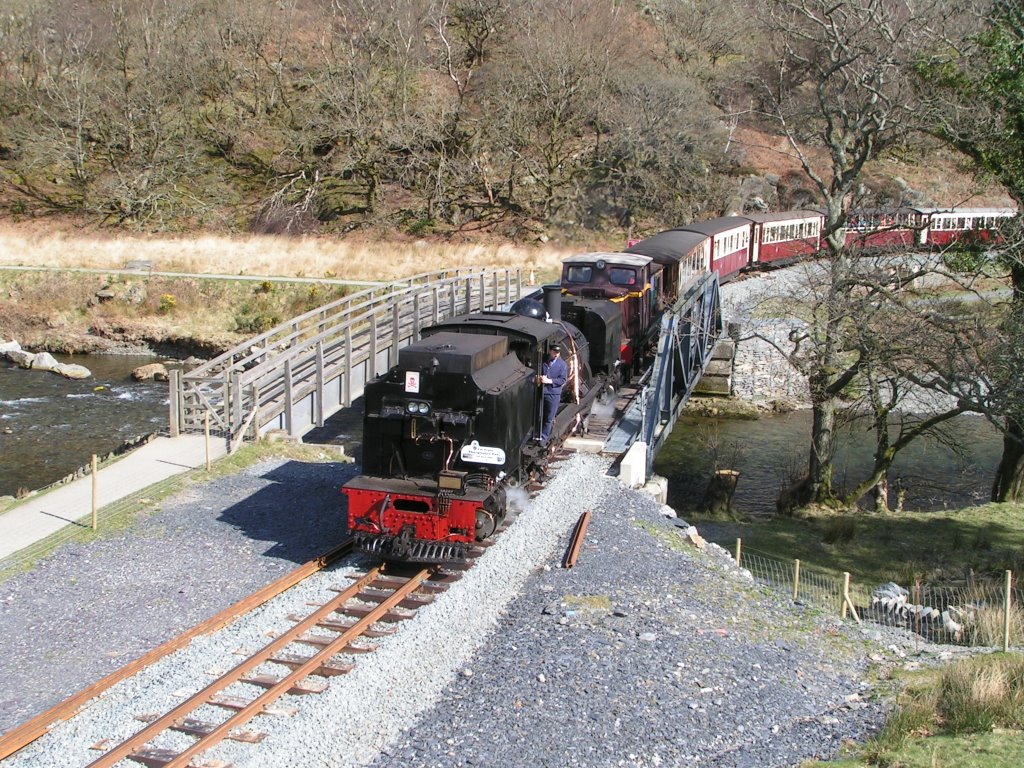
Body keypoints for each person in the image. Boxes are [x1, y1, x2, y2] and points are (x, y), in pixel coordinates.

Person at [539, 343, 568, 444]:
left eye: (558, 353)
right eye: (554, 352)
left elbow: (562, 380)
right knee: (539, 414)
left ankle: (544, 437)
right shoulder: (543, 361)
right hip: (541, 392)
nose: (556, 354)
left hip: (553, 394)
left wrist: (549, 381)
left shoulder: (562, 365)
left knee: (549, 417)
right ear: (550, 351)